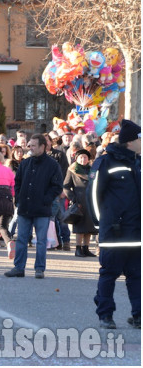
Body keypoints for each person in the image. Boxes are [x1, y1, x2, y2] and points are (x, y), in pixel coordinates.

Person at [87, 119, 141, 330]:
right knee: (109, 274)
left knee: (136, 275)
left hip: (136, 233)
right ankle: (105, 315)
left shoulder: (137, 163)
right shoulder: (106, 162)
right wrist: (101, 225)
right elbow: (92, 195)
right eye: (140, 138)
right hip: (114, 232)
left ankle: (138, 315)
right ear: (130, 141)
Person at [5, 134, 63, 279]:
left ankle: (39, 269)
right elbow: (17, 182)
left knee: (41, 240)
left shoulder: (52, 165)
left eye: (33, 145)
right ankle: (19, 268)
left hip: (42, 209)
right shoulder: (25, 163)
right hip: (25, 207)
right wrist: (18, 198)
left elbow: (57, 186)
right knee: (22, 239)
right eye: (29, 145)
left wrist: (46, 199)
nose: (30, 148)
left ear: (42, 147)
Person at [63, 149, 97, 257]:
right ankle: (78, 248)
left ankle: (86, 248)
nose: (83, 159)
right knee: (80, 226)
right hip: (79, 201)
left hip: (91, 201)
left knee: (90, 227)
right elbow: (66, 186)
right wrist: (73, 198)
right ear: (76, 159)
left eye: (85, 157)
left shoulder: (92, 170)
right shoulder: (72, 170)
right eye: (81, 157)